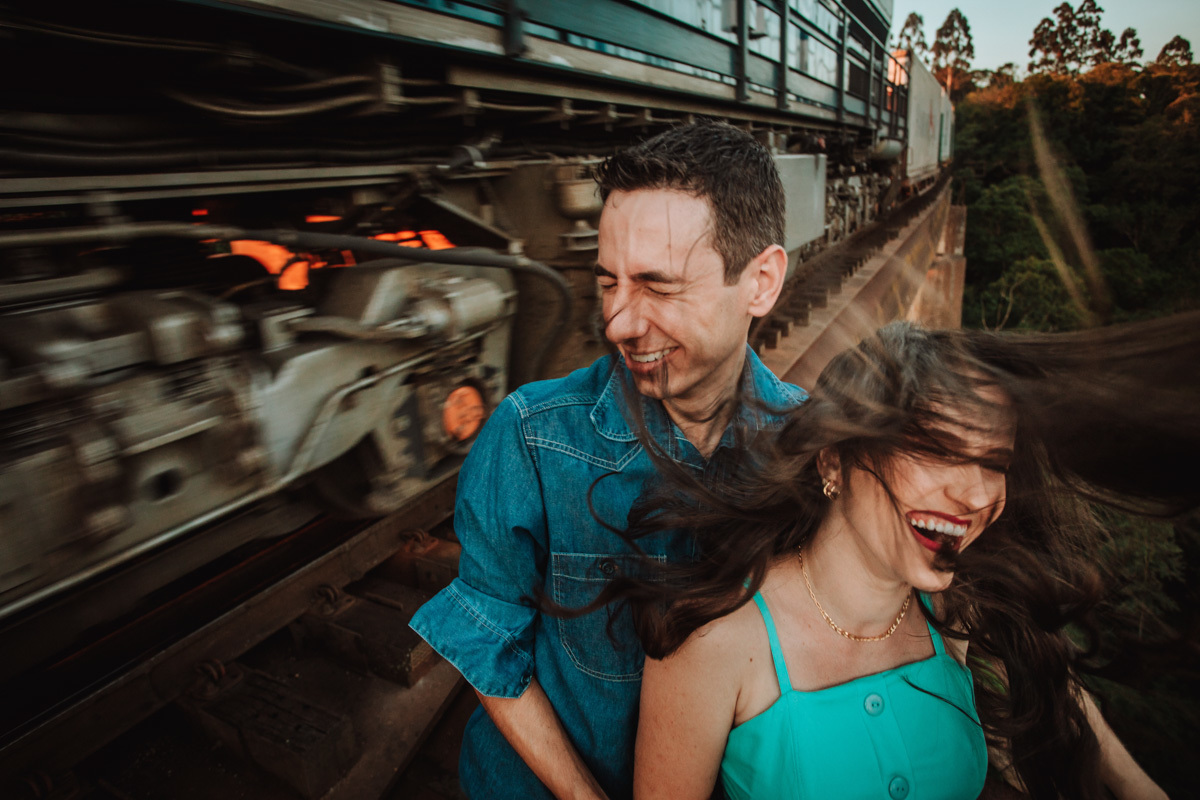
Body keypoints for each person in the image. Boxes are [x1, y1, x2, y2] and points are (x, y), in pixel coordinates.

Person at [575, 318, 1199, 800]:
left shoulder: (953, 604)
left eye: (995, 463)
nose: (978, 494)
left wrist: (1141, 787)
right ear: (833, 461)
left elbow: (1058, 686)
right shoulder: (713, 640)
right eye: (938, 450)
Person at [408, 119, 803, 800]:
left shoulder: (812, 446)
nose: (618, 320)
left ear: (760, 282)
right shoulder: (533, 436)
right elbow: (488, 645)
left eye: (658, 285)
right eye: (607, 282)